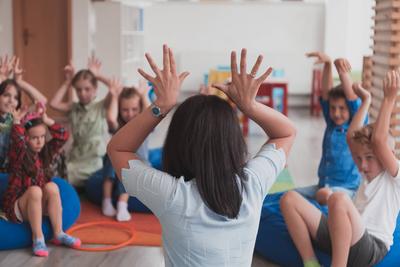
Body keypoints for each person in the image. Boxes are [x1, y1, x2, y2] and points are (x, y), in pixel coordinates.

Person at [107, 45, 296, 266]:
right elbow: (286, 133)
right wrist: (249, 106)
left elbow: (118, 149)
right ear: (233, 141)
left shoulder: (172, 196)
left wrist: (162, 105)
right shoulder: (252, 184)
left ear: (177, 143)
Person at [280, 71, 400, 267]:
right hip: (343, 238)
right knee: (289, 199)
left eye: (369, 158)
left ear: (387, 155)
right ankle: (310, 262)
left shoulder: (394, 176)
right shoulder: (366, 172)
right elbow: (351, 136)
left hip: (370, 247)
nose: (362, 165)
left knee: (338, 198)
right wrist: (366, 101)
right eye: (359, 158)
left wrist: (389, 98)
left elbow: (379, 141)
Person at [1, 105, 80, 257]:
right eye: (34, 138)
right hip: (18, 207)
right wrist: (17, 122)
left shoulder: (44, 153)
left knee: (51, 187)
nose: (40, 141)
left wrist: (47, 120)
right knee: (35, 191)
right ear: (26, 138)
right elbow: (18, 141)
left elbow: (63, 136)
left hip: (37, 204)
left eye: (43, 136)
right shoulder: (19, 154)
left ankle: (58, 233)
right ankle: (38, 238)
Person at [297, 52, 366, 205]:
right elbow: (326, 94)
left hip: (346, 190)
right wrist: (328, 65)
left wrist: (342, 72)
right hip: (323, 186)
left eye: (342, 108)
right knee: (290, 196)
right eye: (333, 108)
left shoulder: (356, 126)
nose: (336, 113)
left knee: (325, 197)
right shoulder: (331, 123)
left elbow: (353, 100)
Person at [50, 57, 112, 187]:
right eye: (78, 89)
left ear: (95, 89)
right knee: (51, 173)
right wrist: (68, 81)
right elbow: (53, 103)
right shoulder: (73, 107)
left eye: (87, 89)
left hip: (93, 160)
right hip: (75, 158)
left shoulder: (100, 106)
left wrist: (97, 75)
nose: (82, 93)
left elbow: (115, 88)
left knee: (61, 178)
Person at [101, 80, 150, 221]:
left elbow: (151, 113)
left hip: (139, 164)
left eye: (134, 109)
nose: (130, 114)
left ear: (140, 108)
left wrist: (143, 96)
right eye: (125, 110)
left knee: (127, 164)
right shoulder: (119, 126)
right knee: (112, 157)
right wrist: (115, 96)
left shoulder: (143, 124)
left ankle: (122, 204)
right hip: (117, 164)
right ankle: (107, 200)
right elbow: (111, 118)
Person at [0, 56, 47, 172]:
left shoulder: (19, 117)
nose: (11, 101)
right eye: (6, 95)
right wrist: (2, 77)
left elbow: (42, 101)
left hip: (14, 174)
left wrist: (19, 82)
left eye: (15, 98)